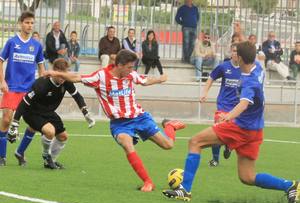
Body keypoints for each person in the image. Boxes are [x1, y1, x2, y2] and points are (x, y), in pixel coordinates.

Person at [162, 41, 300, 203]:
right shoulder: (257, 67)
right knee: (247, 177)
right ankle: (291, 186)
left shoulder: (250, 81)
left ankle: (184, 190)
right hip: (255, 130)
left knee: (195, 142)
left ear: (240, 58)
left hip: (240, 127)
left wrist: (228, 117)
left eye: (235, 53)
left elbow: (243, 103)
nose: (232, 55)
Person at [45, 49, 186, 192]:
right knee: (127, 144)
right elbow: (77, 77)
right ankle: (148, 182)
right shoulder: (101, 76)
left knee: (168, 145)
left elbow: (145, 80)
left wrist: (160, 78)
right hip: (120, 124)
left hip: (139, 117)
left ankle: (170, 126)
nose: (132, 70)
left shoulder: (130, 75)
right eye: (129, 67)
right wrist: (55, 73)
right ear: (119, 64)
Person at [7, 58, 95, 168]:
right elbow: (24, 102)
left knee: (63, 137)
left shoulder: (66, 81)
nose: (62, 78)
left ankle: (49, 160)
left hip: (48, 112)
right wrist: (15, 123)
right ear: (54, 72)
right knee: (50, 131)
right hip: (32, 112)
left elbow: (77, 96)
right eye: (60, 75)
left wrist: (85, 112)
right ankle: (46, 157)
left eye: (65, 74)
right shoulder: (41, 84)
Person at [0, 11, 45, 166]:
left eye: (32, 23)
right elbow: (0, 61)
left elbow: (41, 68)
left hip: (29, 89)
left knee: (34, 124)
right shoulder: (12, 42)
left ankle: (20, 153)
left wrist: (42, 85)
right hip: (11, 87)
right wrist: (2, 81)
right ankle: (1, 156)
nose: (29, 25)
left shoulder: (37, 45)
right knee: (6, 119)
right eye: (27, 22)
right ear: (20, 24)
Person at [200, 44, 240, 166]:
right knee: (217, 132)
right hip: (223, 105)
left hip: (237, 109)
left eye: (238, 52)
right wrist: (205, 92)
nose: (236, 54)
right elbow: (211, 77)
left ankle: (229, 146)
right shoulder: (224, 67)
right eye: (234, 51)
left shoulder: (245, 70)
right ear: (230, 52)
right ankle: (215, 159)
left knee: (235, 134)